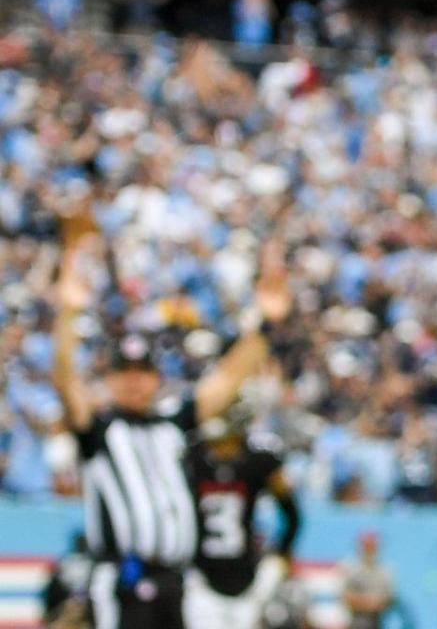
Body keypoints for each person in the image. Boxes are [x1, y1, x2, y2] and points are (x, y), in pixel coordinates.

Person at [50, 227, 291, 629]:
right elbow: (65, 381)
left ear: (156, 378)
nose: (133, 380)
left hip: (176, 579)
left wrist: (265, 324)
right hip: (123, 578)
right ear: (107, 378)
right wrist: (68, 315)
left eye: (142, 371)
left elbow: (225, 382)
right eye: (123, 371)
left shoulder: (171, 424)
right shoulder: (100, 428)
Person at [184, 406, 302, 628]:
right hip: (201, 576)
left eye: (228, 442)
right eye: (216, 444)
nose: (221, 451)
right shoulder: (191, 458)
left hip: (247, 574)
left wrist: (281, 552)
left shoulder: (260, 462)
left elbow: (292, 513)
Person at [341, 532, 395, 629]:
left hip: (377, 622)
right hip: (355, 621)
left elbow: (389, 599)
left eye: (372, 546)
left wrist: (375, 603)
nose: (369, 549)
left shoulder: (384, 570)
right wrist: (369, 602)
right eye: (366, 546)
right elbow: (345, 597)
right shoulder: (351, 568)